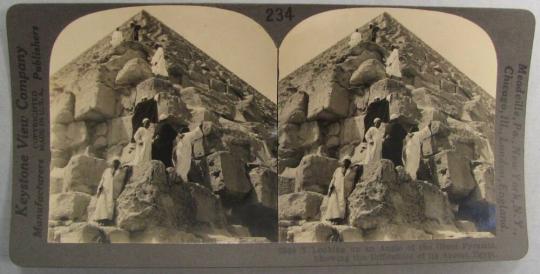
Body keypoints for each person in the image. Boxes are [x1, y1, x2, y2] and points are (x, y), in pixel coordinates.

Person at [323, 157, 357, 224]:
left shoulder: (351, 171)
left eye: (347, 162)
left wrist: (348, 190)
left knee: (341, 205)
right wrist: (331, 187)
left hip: (344, 190)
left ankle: (338, 220)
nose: (346, 163)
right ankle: (332, 219)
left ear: (349, 163)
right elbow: (333, 179)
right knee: (333, 204)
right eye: (345, 161)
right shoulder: (338, 170)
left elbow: (351, 181)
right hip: (335, 189)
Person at [93, 159, 121, 226]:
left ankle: (106, 221)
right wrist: (100, 187)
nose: (114, 165)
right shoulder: (107, 171)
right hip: (104, 190)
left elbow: (119, 182)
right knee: (102, 205)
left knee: (109, 206)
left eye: (116, 164)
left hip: (112, 192)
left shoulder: (119, 172)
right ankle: (100, 220)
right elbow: (102, 179)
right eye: (113, 163)